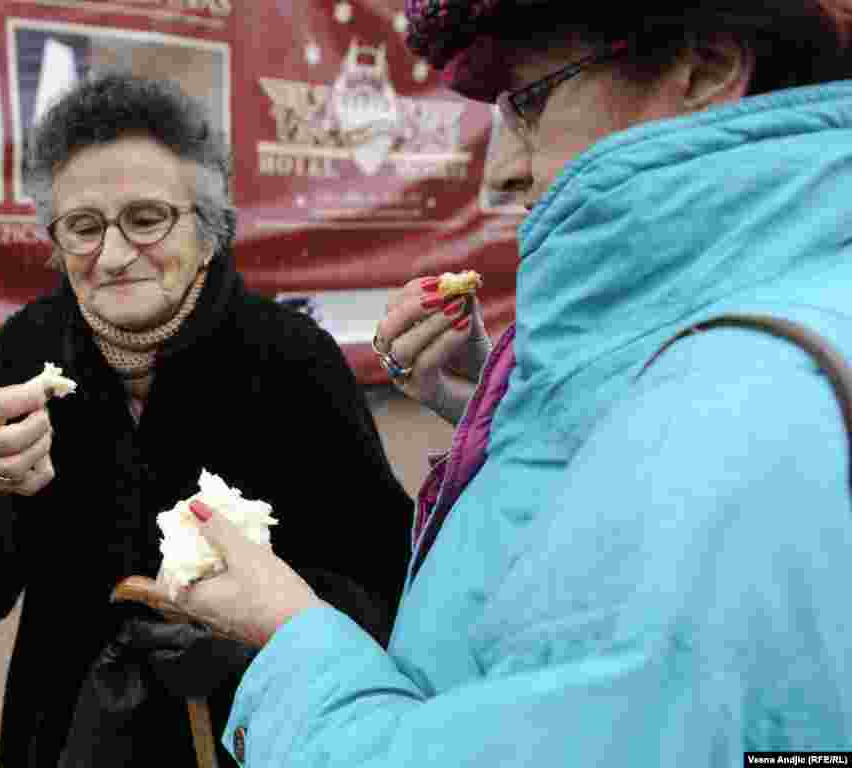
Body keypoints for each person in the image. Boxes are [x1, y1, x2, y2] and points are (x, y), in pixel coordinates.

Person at [142, 1, 852, 764]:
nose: (502, 169)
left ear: (704, 69)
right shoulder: (759, 344)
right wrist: (503, 406)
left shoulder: (735, 414)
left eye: (530, 101)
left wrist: (287, 639)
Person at [0, 74, 413, 767]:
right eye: (83, 227)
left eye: (146, 219)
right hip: (63, 729)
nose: (112, 257)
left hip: (250, 731)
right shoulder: (30, 348)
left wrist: (253, 641)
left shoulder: (293, 359)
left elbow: (380, 575)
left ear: (206, 230)